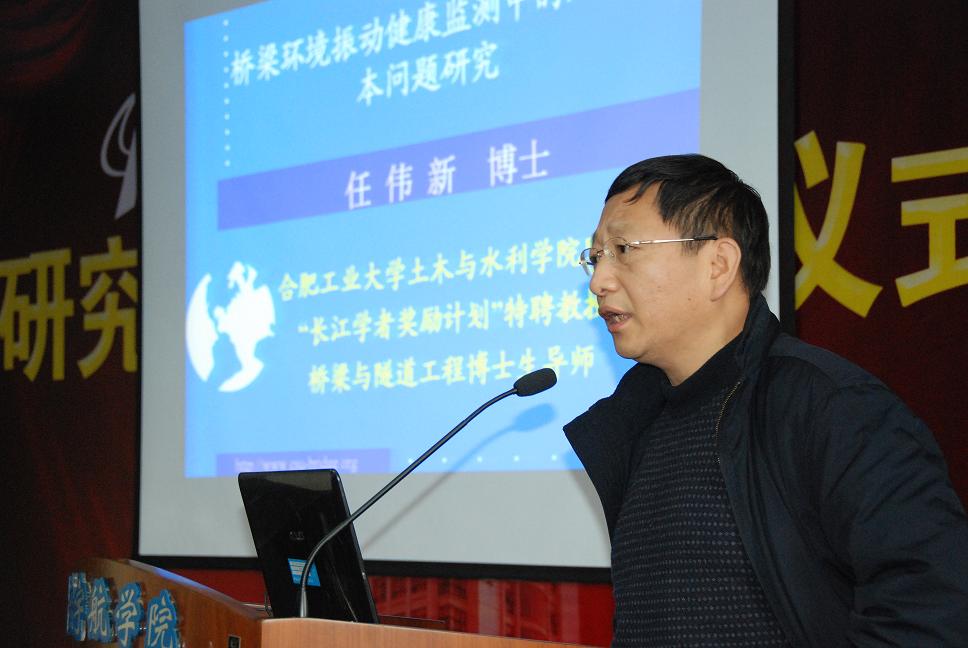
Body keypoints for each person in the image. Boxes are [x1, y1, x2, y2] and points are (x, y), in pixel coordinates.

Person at [563, 154, 968, 647]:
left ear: (718, 265)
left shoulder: (833, 408)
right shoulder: (634, 424)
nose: (598, 280)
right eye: (596, 256)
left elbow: (931, 608)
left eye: (624, 249)